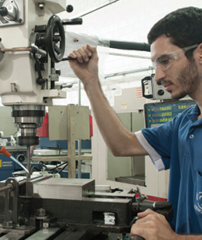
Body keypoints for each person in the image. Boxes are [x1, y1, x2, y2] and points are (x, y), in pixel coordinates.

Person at [68, 6, 202, 240]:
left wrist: (174, 239)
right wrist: (90, 80)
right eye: (155, 64)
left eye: (166, 61)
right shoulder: (185, 124)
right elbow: (123, 145)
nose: (158, 75)